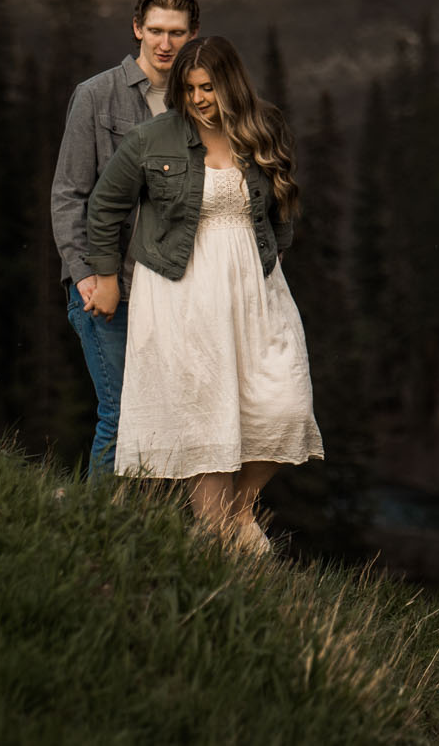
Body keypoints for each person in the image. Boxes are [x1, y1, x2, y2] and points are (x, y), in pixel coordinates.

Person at [81, 36, 322, 552]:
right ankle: (217, 544)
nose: (198, 99)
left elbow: (281, 204)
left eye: (208, 87)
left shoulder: (263, 127)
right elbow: (103, 207)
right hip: (181, 291)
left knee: (285, 404)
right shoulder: (153, 139)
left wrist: (276, 251)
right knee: (206, 416)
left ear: (230, 83)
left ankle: (236, 512)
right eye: (189, 89)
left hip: (255, 285)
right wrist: (104, 276)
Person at [50, 0, 199, 475]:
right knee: (122, 415)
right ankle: (98, 535)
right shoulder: (97, 96)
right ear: (137, 28)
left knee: (166, 421)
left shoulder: (197, 102)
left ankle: (140, 535)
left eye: (176, 32)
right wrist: (85, 272)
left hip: (170, 288)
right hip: (106, 284)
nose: (165, 43)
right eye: (156, 30)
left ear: (192, 35)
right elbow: (70, 193)